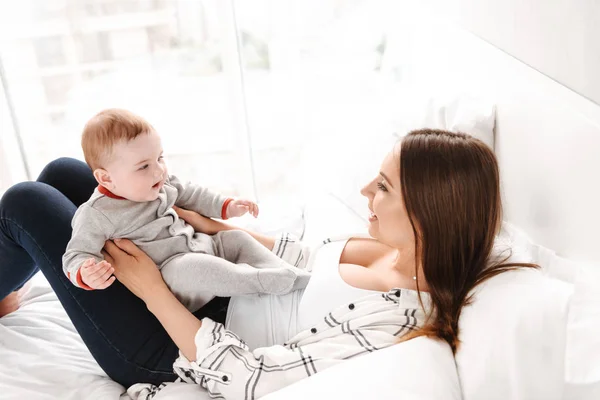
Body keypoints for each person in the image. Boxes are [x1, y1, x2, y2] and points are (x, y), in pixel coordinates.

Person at [0, 129, 534, 396]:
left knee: (27, 201)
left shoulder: (396, 321)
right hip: (209, 278)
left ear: (426, 212)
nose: (365, 190)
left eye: (384, 187)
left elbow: (252, 378)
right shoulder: (391, 248)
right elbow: (293, 256)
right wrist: (216, 227)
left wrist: (151, 290)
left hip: (174, 340)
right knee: (69, 173)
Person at [63, 108, 310, 311]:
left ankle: (287, 273)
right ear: (106, 179)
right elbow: (76, 253)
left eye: (160, 158)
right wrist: (85, 271)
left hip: (204, 245)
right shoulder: (97, 213)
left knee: (236, 238)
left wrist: (227, 206)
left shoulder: (161, 182)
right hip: (173, 274)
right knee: (193, 267)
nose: (159, 170)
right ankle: (257, 281)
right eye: (143, 167)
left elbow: (193, 194)